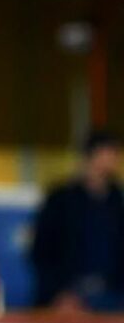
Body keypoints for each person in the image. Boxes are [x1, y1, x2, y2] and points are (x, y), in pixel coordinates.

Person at [31, 129, 124, 312]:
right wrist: (59, 294)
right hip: (67, 296)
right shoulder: (60, 201)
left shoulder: (118, 203)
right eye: (107, 153)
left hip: (112, 297)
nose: (112, 159)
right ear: (91, 155)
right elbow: (42, 253)